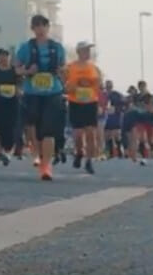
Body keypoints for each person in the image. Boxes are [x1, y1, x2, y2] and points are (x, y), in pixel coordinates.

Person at [15, 14, 69, 181]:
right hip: (32, 93)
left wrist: (63, 73)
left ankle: (46, 166)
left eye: (43, 25)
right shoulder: (25, 48)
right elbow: (16, 69)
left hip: (53, 92)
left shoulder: (57, 48)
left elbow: (63, 68)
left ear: (47, 27)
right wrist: (27, 71)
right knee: (34, 128)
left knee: (49, 130)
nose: (40, 29)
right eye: (37, 26)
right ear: (32, 29)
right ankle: (37, 154)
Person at [62, 43, 105, 173]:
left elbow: (99, 86)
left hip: (90, 103)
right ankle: (79, 152)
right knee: (78, 134)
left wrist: (100, 103)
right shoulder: (70, 67)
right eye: (85, 50)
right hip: (75, 103)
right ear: (79, 52)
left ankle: (89, 161)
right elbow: (63, 83)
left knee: (91, 133)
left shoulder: (94, 68)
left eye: (89, 50)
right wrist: (69, 87)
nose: (88, 53)